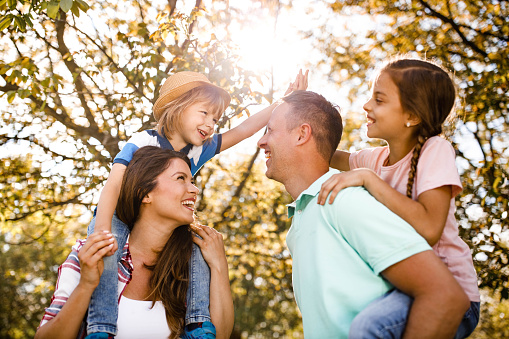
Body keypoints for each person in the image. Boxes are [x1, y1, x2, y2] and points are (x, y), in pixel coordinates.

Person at [86, 70, 308, 338]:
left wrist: (283, 102)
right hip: (118, 213)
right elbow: (114, 183)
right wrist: (102, 228)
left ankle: (198, 323)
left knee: (196, 246)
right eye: (203, 113)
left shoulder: (198, 149)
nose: (211, 123)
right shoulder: (145, 140)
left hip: (159, 219)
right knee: (107, 253)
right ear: (177, 107)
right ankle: (100, 326)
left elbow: (244, 129)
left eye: (215, 118)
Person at [257, 90, 470, 338]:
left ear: (302, 134)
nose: (261, 142)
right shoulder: (302, 219)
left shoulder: (344, 200)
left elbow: (446, 297)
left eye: (270, 130)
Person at [317, 58, 480, 338]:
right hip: (405, 285)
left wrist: (370, 180)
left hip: (451, 291)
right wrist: (298, 110)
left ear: (412, 117)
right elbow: (324, 155)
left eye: (379, 100)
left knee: (370, 326)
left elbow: (429, 229)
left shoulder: (435, 150)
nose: (367, 105)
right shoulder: (375, 158)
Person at [35, 146, 233, 339]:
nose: (194, 189)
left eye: (192, 180)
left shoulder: (194, 266)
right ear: (145, 193)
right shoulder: (89, 254)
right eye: (181, 178)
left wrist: (219, 265)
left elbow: (220, 335)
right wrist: (86, 285)